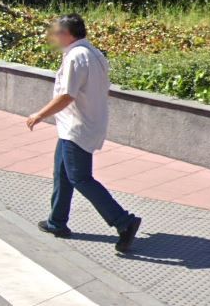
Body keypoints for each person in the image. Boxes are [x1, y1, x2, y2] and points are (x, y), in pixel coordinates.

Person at [27, 14, 142, 253]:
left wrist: (39, 115)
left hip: (77, 128)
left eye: (56, 32)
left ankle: (124, 221)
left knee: (80, 178)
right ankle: (57, 222)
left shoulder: (76, 57)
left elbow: (67, 95)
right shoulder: (94, 53)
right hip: (79, 124)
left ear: (67, 34)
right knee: (62, 173)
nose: (53, 37)